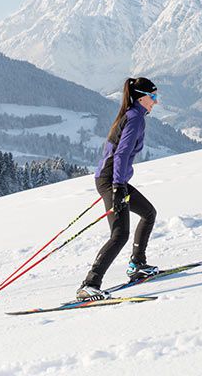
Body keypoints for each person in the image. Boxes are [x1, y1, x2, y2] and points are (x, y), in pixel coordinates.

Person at [76, 77, 161, 301]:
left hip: (115, 179)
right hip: (112, 180)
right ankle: (89, 285)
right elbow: (121, 155)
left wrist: (119, 183)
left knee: (149, 213)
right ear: (141, 98)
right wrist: (117, 187)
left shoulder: (134, 115)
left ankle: (137, 265)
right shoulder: (134, 119)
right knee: (120, 234)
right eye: (153, 97)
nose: (155, 102)